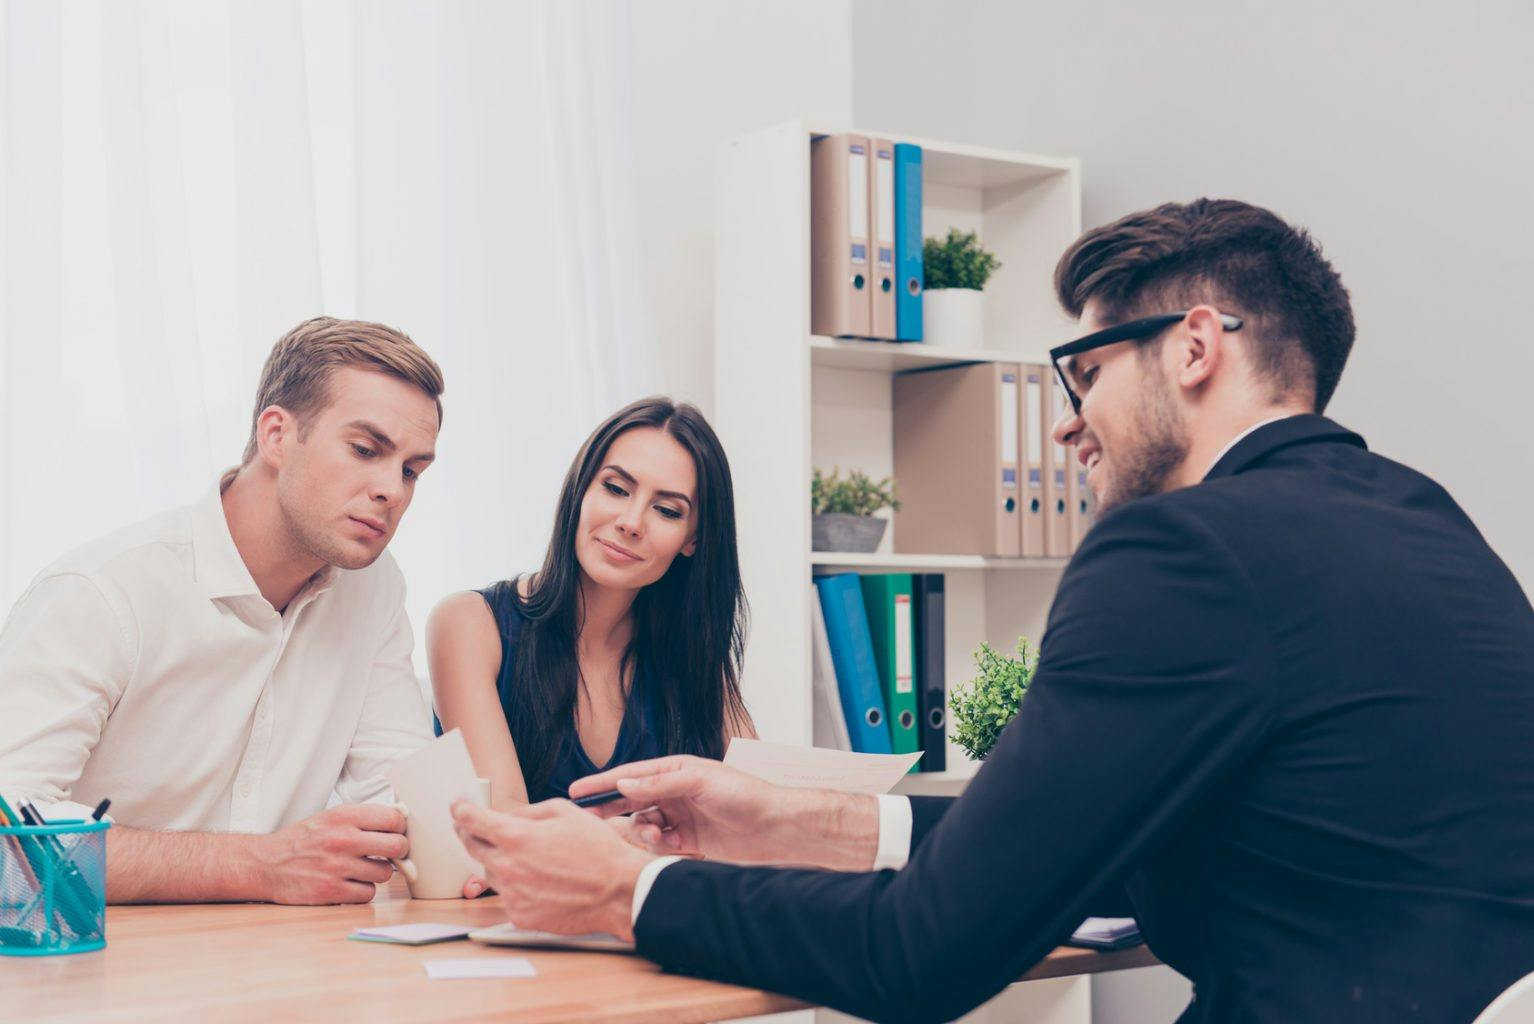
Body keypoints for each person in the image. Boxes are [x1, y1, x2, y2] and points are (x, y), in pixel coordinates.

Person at [450, 200, 1534, 1022]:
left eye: (1085, 370)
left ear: (1196, 346)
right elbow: (1096, 848)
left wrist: (630, 891)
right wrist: (789, 819)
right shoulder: (1430, 526)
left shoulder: (1179, 548)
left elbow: (925, 958)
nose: (1069, 427)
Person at [0, 316, 466, 905]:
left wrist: (524, 847)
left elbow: (400, 784)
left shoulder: (372, 587)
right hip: (94, 967)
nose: (392, 491)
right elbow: (9, 837)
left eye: (411, 470)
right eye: (365, 450)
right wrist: (258, 867)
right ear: (276, 435)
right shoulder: (100, 592)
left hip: (275, 960)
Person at [428, 397, 754, 809]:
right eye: (616, 489)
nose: (631, 522)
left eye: (667, 510)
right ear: (581, 488)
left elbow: (757, 814)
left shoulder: (693, 657)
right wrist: (670, 834)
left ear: (693, 539)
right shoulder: (469, 624)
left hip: (657, 875)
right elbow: (506, 827)